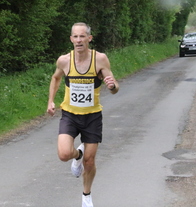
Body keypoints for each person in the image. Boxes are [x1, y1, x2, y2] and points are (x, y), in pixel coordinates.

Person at [47, 22, 119, 207]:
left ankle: (86, 195)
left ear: (89, 38)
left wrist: (112, 86)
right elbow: (56, 78)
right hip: (70, 115)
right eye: (75, 37)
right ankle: (76, 155)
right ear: (71, 39)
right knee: (64, 154)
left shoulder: (100, 59)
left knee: (90, 161)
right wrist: (51, 101)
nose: (79, 40)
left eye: (82, 36)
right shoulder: (64, 60)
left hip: (92, 116)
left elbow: (114, 87)